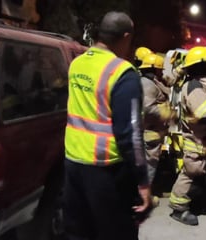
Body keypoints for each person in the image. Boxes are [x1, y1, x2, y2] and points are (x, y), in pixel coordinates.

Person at [63, 11, 151, 240]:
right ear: (125, 37)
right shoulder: (123, 73)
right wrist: (142, 181)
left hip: (72, 164)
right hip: (106, 171)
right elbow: (130, 135)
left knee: (79, 232)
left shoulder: (77, 64)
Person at [169, 46, 206, 226]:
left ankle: (192, 202)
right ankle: (178, 208)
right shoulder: (194, 87)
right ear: (204, 67)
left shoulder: (201, 85)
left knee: (198, 174)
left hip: (203, 142)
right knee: (189, 173)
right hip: (195, 143)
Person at [139, 53, 176, 193]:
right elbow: (148, 107)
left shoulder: (153, 81)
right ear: (154, 68)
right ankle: (144, 193)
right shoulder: (147, 84)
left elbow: (169, 84)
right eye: (160, 69)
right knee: (149, 164)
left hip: (152, 130)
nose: (161, 72)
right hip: (150, 131)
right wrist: (169, 113)